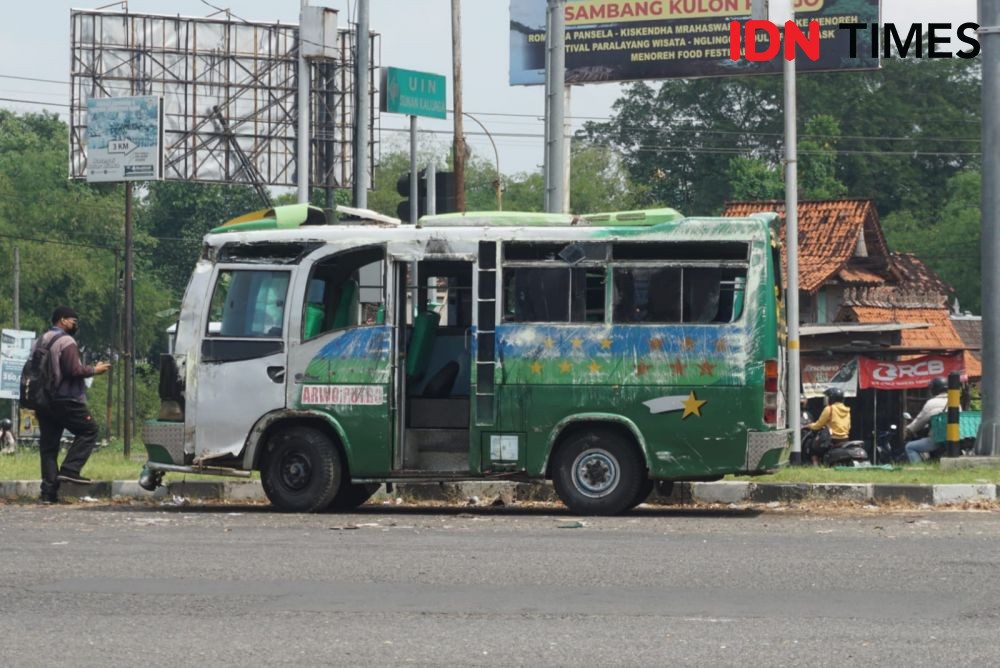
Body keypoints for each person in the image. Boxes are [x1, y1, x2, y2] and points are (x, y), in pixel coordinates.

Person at [33, 306, 111, 504]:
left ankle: (48, 494)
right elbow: (73, 370)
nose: (75, 325)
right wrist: (95, 369)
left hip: (44, 400)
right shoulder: (67, 341)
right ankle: (70, 470)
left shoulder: (40, 341)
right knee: (89, 430)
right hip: (66, 399)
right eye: (73, 321)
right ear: (62, 320)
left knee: (49, 447)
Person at [904, 377, 950, 464]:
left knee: (909, 447)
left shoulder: (932, 403)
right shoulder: (955, 402)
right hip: (953, 439)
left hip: (937, 439)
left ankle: (919, 468)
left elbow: (919, 422)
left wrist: (909, 429)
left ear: (934, 389)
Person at [806, 387, 851, 465]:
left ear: (832, 398)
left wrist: (809, 425)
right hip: (845, 439)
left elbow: (818, 425)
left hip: (832, 439)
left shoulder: (829, 409)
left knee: (813, 448)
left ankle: (816, 468)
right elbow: (848, 426)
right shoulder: (847, 410)